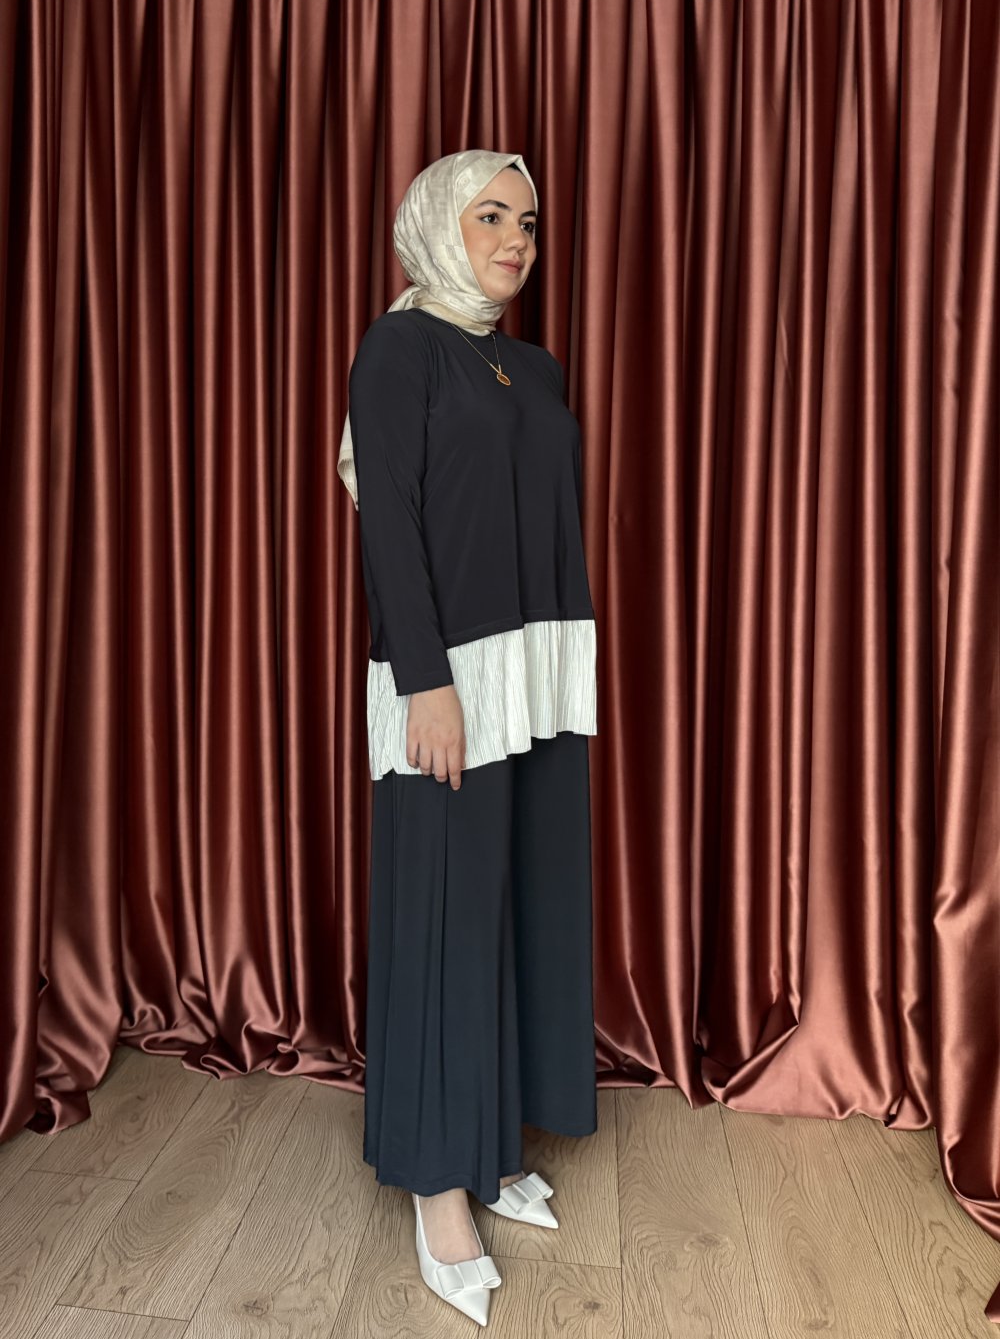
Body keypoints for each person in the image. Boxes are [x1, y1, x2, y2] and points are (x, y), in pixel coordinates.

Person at [337, 149, 598, 1327]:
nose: (515, 241)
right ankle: (437, 1181)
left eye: (528, 223)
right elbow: (389, 523)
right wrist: (426, 684)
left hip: (538, 672)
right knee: (444, 916)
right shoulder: (399, 351)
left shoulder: (531, 366)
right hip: (447, 678)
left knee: (518, 908)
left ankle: (493, 1144)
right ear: (438, 225)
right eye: (490, 216)